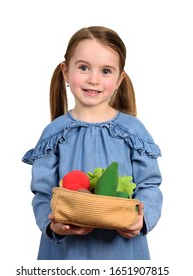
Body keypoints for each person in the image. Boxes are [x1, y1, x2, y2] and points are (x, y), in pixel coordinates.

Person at [22, 26, 163, 260]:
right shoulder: (54, 133)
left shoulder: (133, 131)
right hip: (67, 255)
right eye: (84, 67)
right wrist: (53, 224)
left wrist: (141, 219)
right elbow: (43, 193)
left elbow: (149, 185)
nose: (94, 79)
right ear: (66, 72)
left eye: (106, 71)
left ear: (119, 80)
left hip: (123, 255)